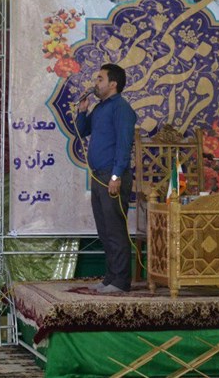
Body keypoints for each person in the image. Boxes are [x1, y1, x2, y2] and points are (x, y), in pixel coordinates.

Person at [75, 63, 137, 293]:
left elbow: (124, 144)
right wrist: (82, 111)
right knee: (104, 229)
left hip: (112, 176)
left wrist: (116, 175)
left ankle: (120, 281)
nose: (96, 83)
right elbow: (82, 131)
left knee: (115, 229)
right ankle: (110, 277)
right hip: (99, 176)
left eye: (100, 79)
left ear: (113, 84)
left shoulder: (121, 108)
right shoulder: (101, 108)